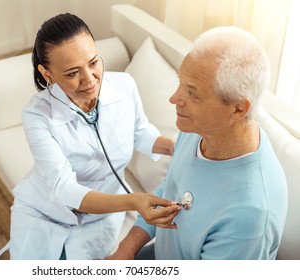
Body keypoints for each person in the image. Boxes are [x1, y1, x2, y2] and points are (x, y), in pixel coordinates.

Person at [0, 13, 181, 260]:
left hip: (101, 216)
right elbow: (65, 189)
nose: (89, 79)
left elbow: (140, 132)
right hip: (45, 212)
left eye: (93, 62)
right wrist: (133, 201)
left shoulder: (125, 86)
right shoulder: (37, 115)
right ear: (46, 73)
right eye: (73, 73)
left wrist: (175, 146)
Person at [106, 26, 288, 260]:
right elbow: (170, 188)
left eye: (193, 93)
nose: (174, 98)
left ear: (238, 108)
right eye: (180, 82)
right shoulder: (199, 129)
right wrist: (125, 251)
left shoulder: (249, 217)